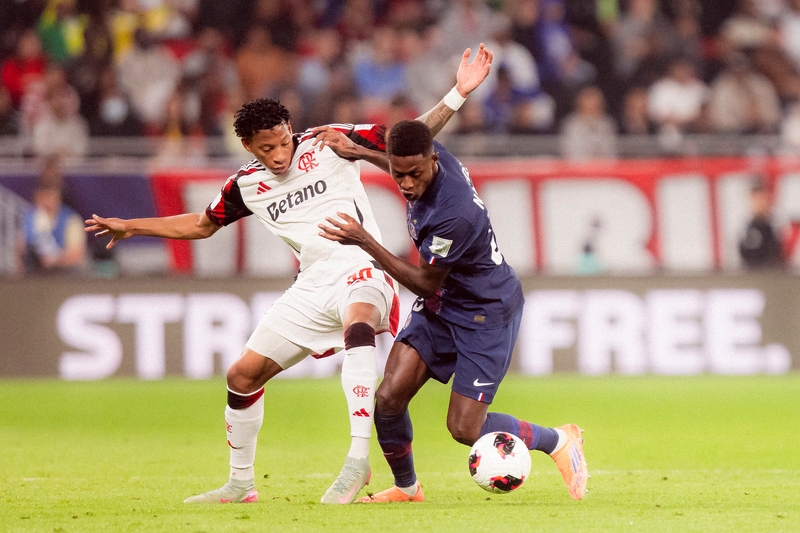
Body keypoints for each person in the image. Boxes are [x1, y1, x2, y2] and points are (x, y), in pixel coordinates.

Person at [85, 44, 494, 505]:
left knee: (359, 323)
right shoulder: (245, 185)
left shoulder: (328, 141)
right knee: (242, 376)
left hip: (362, 264)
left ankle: (358, 458)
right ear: (247, 146)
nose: (281, 154)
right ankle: (240, 484)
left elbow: (411, 139)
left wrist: (458, 93)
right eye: (268, 148)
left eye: (284, 142)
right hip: (312, 283)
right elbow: (201, 224)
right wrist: (131, 226)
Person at [318, 119, 588, 503]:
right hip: (442, 306)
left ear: (432, 161)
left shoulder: (453, 214)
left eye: (414, 174)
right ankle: (407, 488)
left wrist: (365, 241)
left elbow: (425, 282)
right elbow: (406, 164)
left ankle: (558, 440)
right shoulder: (432, 156)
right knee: (389, 398)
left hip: (485, 311)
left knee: (464, 429)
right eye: (398, 173)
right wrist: (359, 151)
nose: (406, 184)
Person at [17, 156, 87, 275]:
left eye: (50, 197)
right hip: (35, 273)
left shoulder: (71, 219)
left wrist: (55, 260)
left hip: (64, 273)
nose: (47, 201)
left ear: (58, 197)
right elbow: (21, 249)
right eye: (44, 197)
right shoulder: (29, 218)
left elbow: (77, 255)